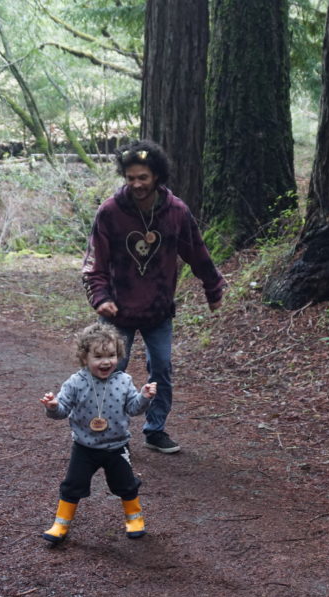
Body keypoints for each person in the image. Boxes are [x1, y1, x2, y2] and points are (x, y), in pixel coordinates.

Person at [81, 140, 226, 454]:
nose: (136, 184)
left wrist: (213, 288)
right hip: (116, 311)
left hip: (158, 310)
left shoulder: (176, 212)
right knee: (111, 370)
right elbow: (94, 263)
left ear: (157, 176)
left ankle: (155, 429)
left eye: (143, 178)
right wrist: (100, 297)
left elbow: (197, 253)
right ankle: (110, 434)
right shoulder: (110, 212)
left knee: (161, 369)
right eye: (130, 178)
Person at [39, 322, 158, 545]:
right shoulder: (75, 383)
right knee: (72, 484)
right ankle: (61, 524)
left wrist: (144, 397)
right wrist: (53, 406)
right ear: (85, 358)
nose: (106, 362)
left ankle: (134, 519)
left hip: (117, 446)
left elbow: (134, 409)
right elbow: (62, 411)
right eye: (99, 356)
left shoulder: (124, 381)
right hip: (85, 447)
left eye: (112, 355)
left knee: (126, 484)